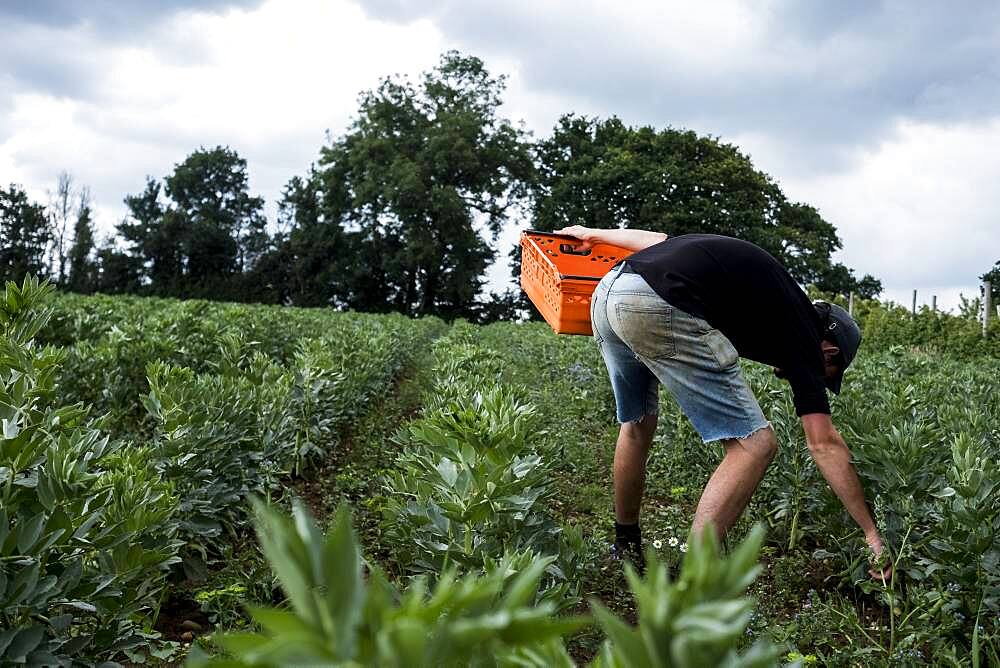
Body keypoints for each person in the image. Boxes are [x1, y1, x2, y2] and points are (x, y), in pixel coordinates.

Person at [554, 225, 890, 578]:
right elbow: (823, 444)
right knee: (755, 445)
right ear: (829, 351)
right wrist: (872, 534)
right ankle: (690, 578)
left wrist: (593, 234)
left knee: (637, 424)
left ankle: (625, 545)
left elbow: (658, 242)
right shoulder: (806, 334)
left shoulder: (773, 297)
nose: (816, 379)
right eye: (827, 374)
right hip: (653, 302)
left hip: (609, 292)